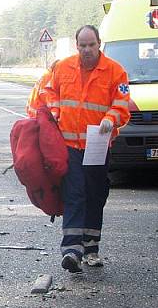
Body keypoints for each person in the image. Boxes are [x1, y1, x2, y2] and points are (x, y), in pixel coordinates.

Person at [42, 25, 130, 272]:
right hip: (69, 145)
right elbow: (49, 92)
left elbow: (122, 104)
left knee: (95, 194)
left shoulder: (115, 71)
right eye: (82, 45)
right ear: (76, 45)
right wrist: (55, 111)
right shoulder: (63, 67)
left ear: (99, 43)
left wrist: (111, 118)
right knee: (75, 194)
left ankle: (91, 248)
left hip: (97, 145)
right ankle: (71, 250)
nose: (87, 50)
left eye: (91, 45)